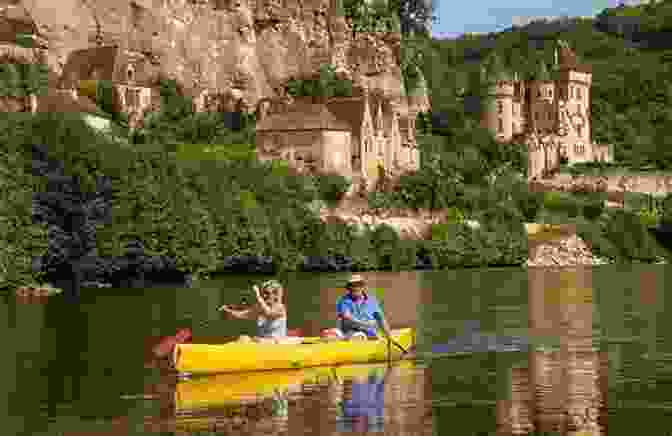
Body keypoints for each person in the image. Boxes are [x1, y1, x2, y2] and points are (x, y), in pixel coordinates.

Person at [218, 279, 288, 343]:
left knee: (251, 340)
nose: (264, 295)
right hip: (261, 342)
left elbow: (269, 313)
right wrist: (228, 311)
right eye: (263, 293)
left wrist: (258, 296)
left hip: (276, 343)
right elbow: (243, 315)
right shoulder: (260, 307)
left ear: (275, 295)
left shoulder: (280, 308)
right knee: (243, 338)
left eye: (267, 293)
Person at [330, 274, 392, 341]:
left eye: (358, 285)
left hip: (370, 332)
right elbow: (347, 317)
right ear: (348, 288)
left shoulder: (372, 300)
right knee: (357, 336)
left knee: (373, 335)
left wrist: (389, 336)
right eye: (351, 286)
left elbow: (381, 319)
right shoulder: (343, 301)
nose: (355, 287)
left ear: (363, 286)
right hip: (351, 331)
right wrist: (365, 323)